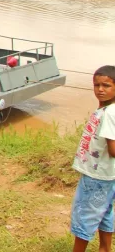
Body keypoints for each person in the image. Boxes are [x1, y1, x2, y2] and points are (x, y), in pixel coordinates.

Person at [70, 66, 115, 252]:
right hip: (106, 175)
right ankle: (105, 249)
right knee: (105, 214)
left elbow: (113, 149)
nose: (100, 89)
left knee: (84, 217)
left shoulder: (110, 113)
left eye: (106, 85)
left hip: (96, 177)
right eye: (96, 85)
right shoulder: (107, 109)